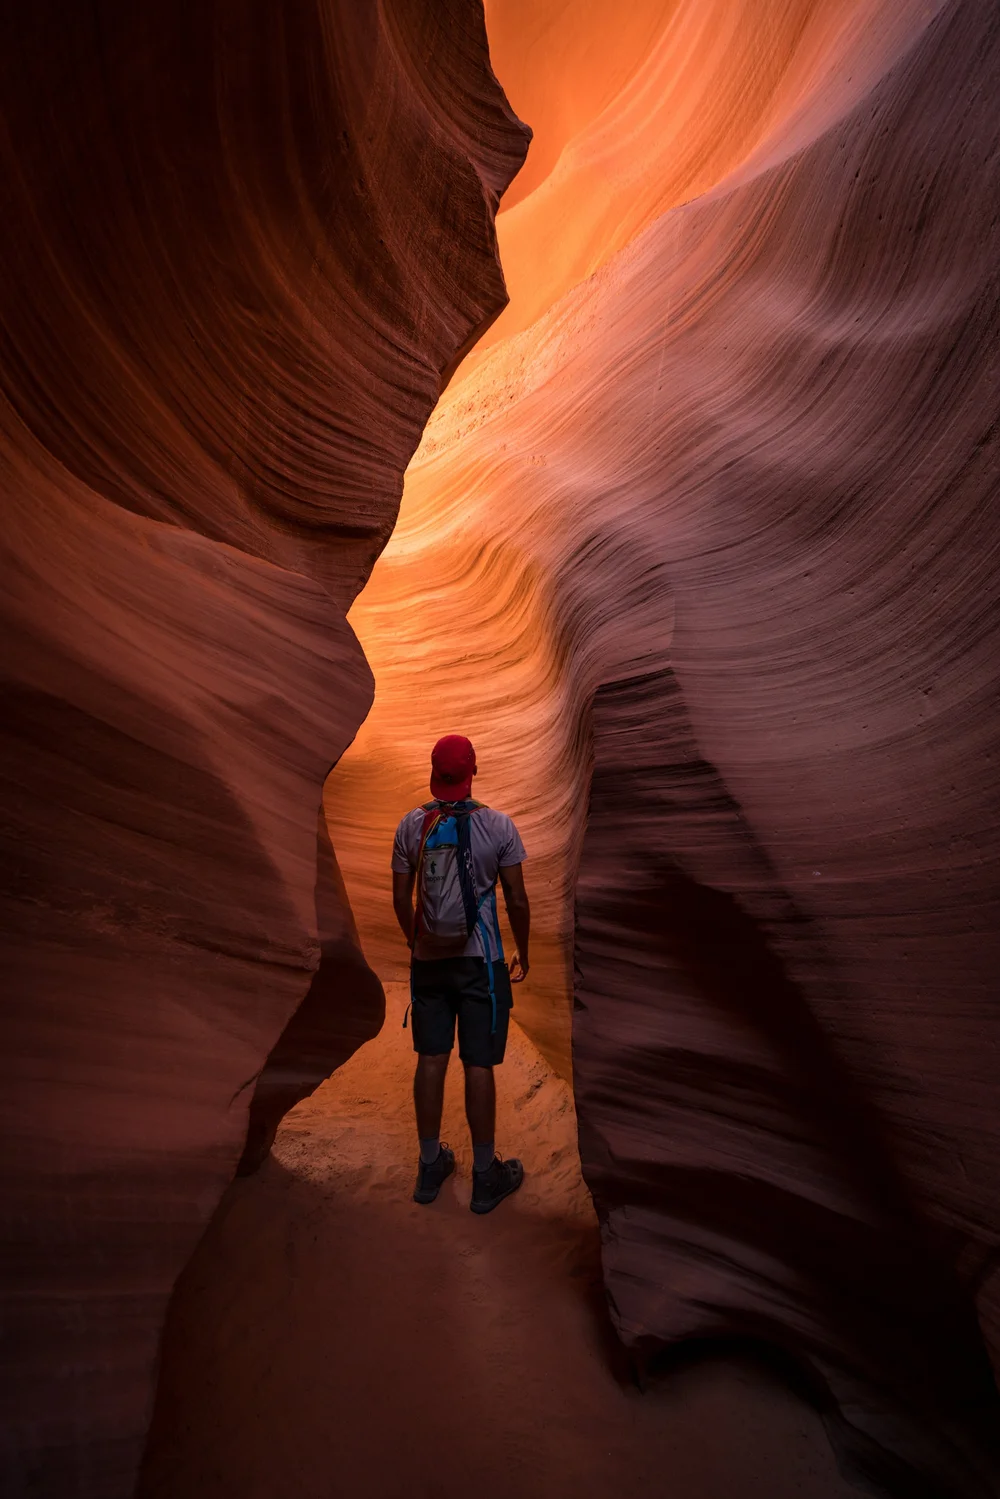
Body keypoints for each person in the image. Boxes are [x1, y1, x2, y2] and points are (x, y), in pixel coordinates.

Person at [391, 734, 530, 1214]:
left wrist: (418, 945)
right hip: (480, 963)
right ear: (474, 770)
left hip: (429, 961)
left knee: (430, 1060)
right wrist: (524, 952)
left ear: (434, 772)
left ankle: (430, 1165)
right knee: (478, 1065)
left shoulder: (411, 826)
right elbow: (516, 897)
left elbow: (400, 899)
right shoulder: (498, 826)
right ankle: (486, 1175)